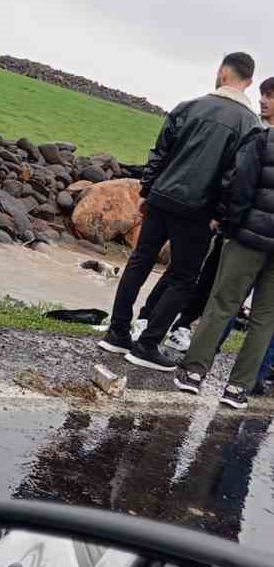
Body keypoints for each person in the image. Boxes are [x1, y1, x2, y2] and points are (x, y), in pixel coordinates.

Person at [99, 53, 259, 369]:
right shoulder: (250, 125)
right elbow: (235, 176)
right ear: (249, 82)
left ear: (222, 73)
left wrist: (147, 190)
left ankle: (117, 333)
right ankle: (147, 345)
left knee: (139, 262)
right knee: (184, 277)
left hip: (161, 197)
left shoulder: (189, 106)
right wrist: (221, 214)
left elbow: (160, 151)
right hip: (199, 210)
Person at [176, 110, 274, 408]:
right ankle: (237, 388)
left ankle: (193, 373)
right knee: (265, 319)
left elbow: (241, 185)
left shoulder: (264, 139)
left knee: (222, 303)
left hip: (247, 238)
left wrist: (231, 226)